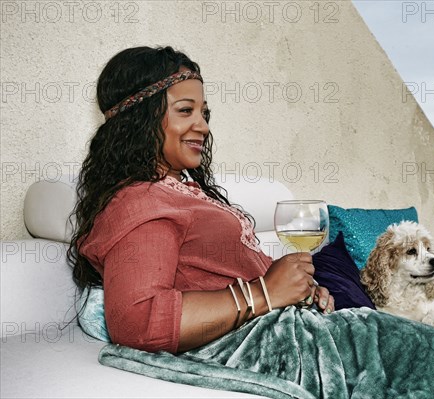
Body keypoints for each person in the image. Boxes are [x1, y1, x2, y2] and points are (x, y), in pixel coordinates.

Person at [68, 46, 335, 354]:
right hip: (270, 346)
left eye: (204, 113)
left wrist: (296, 288)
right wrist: (264, 293)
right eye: (185, 110)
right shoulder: (140, 201)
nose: (204, 127)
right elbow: (137, 322)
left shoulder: (177, 189)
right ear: (139, 119)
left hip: (293, 330)